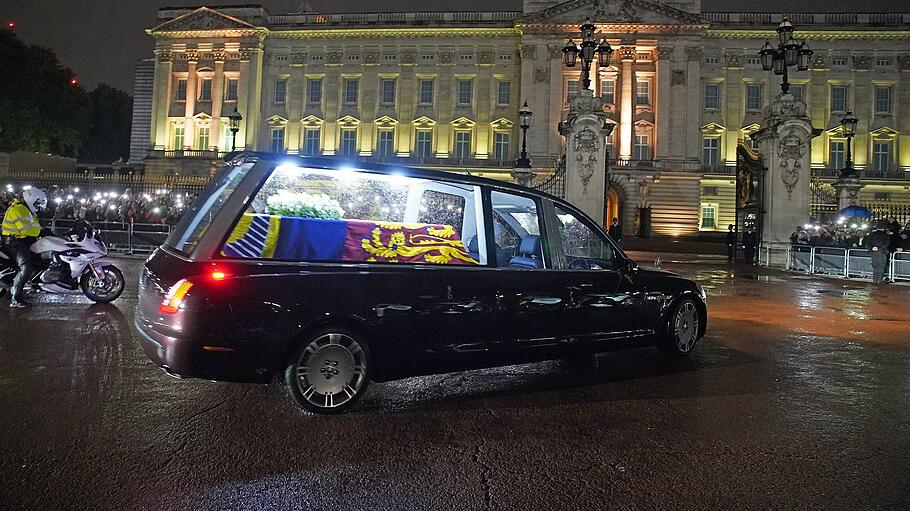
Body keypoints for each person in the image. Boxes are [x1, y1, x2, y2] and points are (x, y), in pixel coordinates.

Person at [1, 188, 47, 307]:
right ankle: (16, 298)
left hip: (23, 241)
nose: (38, 206)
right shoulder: (18, 209)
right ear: (31, 199)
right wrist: (41, 232)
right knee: (26, 267)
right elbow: (25, 229)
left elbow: (35, 226)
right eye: (37, 203)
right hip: (14, 243)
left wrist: (44, 232)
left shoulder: (26, 210)